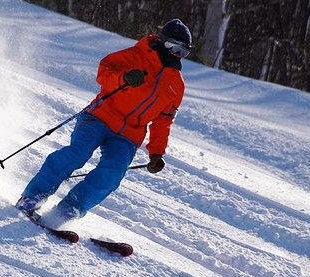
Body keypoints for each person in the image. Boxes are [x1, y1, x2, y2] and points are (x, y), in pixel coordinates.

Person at [16, 19, 191, 226]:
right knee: (77, 154)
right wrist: (123, 78)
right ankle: (33, 196)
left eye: (183, 52)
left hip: (128, 136)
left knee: (113, 173)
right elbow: (104, 72)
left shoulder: (176, 85)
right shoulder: (135, 56)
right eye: (173, 47)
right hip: (98, 118)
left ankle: (68, 209)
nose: (176, 55)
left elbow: (163, 121)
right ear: (162, 42)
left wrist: (157, 153)